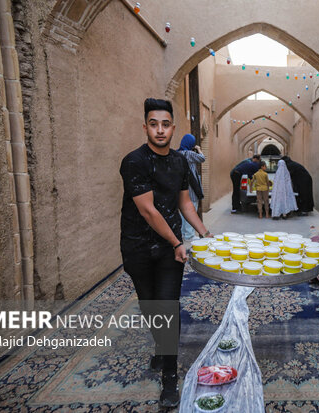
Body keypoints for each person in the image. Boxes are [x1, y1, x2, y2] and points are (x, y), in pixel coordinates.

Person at [119, 98, 212, 407]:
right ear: (146, 127)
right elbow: (148, 211)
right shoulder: (134, 161)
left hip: (169, 252)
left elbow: (184, 202)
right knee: (150, 307)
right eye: (154, 124)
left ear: (173, 127)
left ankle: (169, 380)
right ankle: (161, 347)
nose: (160, 130)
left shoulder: (179, 162)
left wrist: (203, 232)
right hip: (138, 247)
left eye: (166, 124)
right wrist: (177, 242)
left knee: (168, 310)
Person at [177, 134, 205, 241]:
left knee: (183, 211)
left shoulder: (177, 153)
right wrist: (198, 149)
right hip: (191, 187)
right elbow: (202, 158)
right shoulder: (188, 153)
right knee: (192, 208)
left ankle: (184, 234)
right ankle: (189, 235)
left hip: (181, 187)